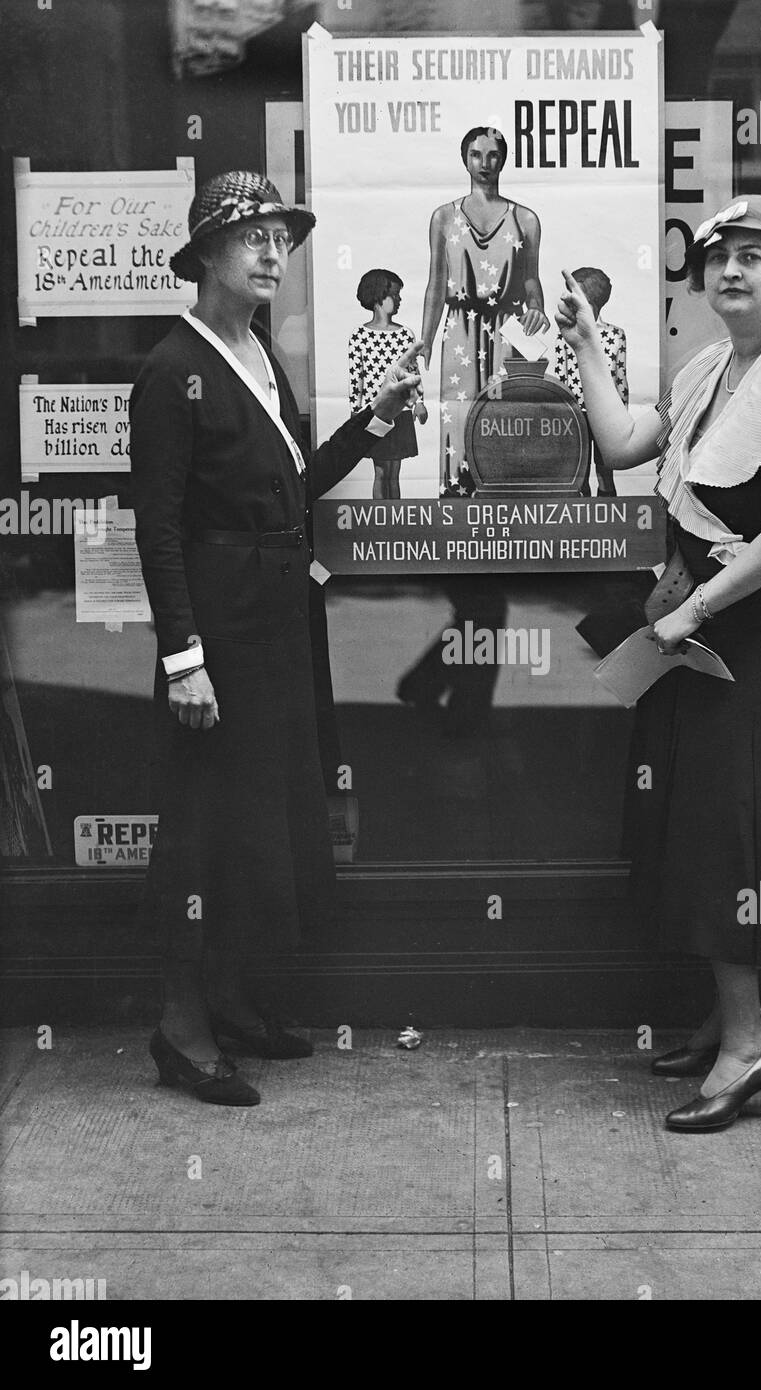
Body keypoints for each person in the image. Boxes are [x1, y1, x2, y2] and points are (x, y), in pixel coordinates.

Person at [555, 196, 761, 1132]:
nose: (731, 272)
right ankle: (716, 1019)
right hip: (695, 629)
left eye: (754, 259)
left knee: (730, 833)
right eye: (719, 257)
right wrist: (588, 344)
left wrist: (689, 612)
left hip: (751, 638)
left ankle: (747, 1046)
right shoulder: (710, 368)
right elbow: (623, 442)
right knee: (686, 822)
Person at [130, 171, 420, 1106]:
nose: (270, 252)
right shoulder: (171, 368)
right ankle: (180, 1031)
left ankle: (230, 1001)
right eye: (250, 235)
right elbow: (158, 530)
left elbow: (296, 486)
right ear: (205, 254)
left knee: (258, 824)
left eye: (280, 238)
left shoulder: (258, 353)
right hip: (220, 628)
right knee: (205, 829)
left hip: (277, 620)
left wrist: (378, 416)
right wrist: (184, 659)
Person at [420, 126, 549, 491]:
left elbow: (530, 279)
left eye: (493, 155)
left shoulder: (526, 219)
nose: (485, 163)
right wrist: (425, 340)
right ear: (465, 159)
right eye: (476, 155)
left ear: (503, 160)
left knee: (505, 415)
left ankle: (506, 499)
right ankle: (457, 501)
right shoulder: (443, 217)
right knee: (458, 418)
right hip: (459, 326)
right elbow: (435, 282)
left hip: (507, 327)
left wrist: (537, 306)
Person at [348, 269, 427, 499]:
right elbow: (357, 377)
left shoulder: (404, 335)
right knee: (381, 470)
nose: (399, 300)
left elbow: (413, 371)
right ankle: (379, 517)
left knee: (395, 471)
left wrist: (418, 402)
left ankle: (394, 519)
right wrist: (356, 410)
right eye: (395, 295)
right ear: (378, 297)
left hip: (400, 412)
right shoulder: (359, 336)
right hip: (376, 411)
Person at [552, 267, 628, 496]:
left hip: (607, 415)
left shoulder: (616, 335)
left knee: (605, 472)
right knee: (579, 473)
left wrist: (621, 415)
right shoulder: (565, 334)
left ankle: (609, 518)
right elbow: (561, 376)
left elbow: (620, 378)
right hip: (575, 414)